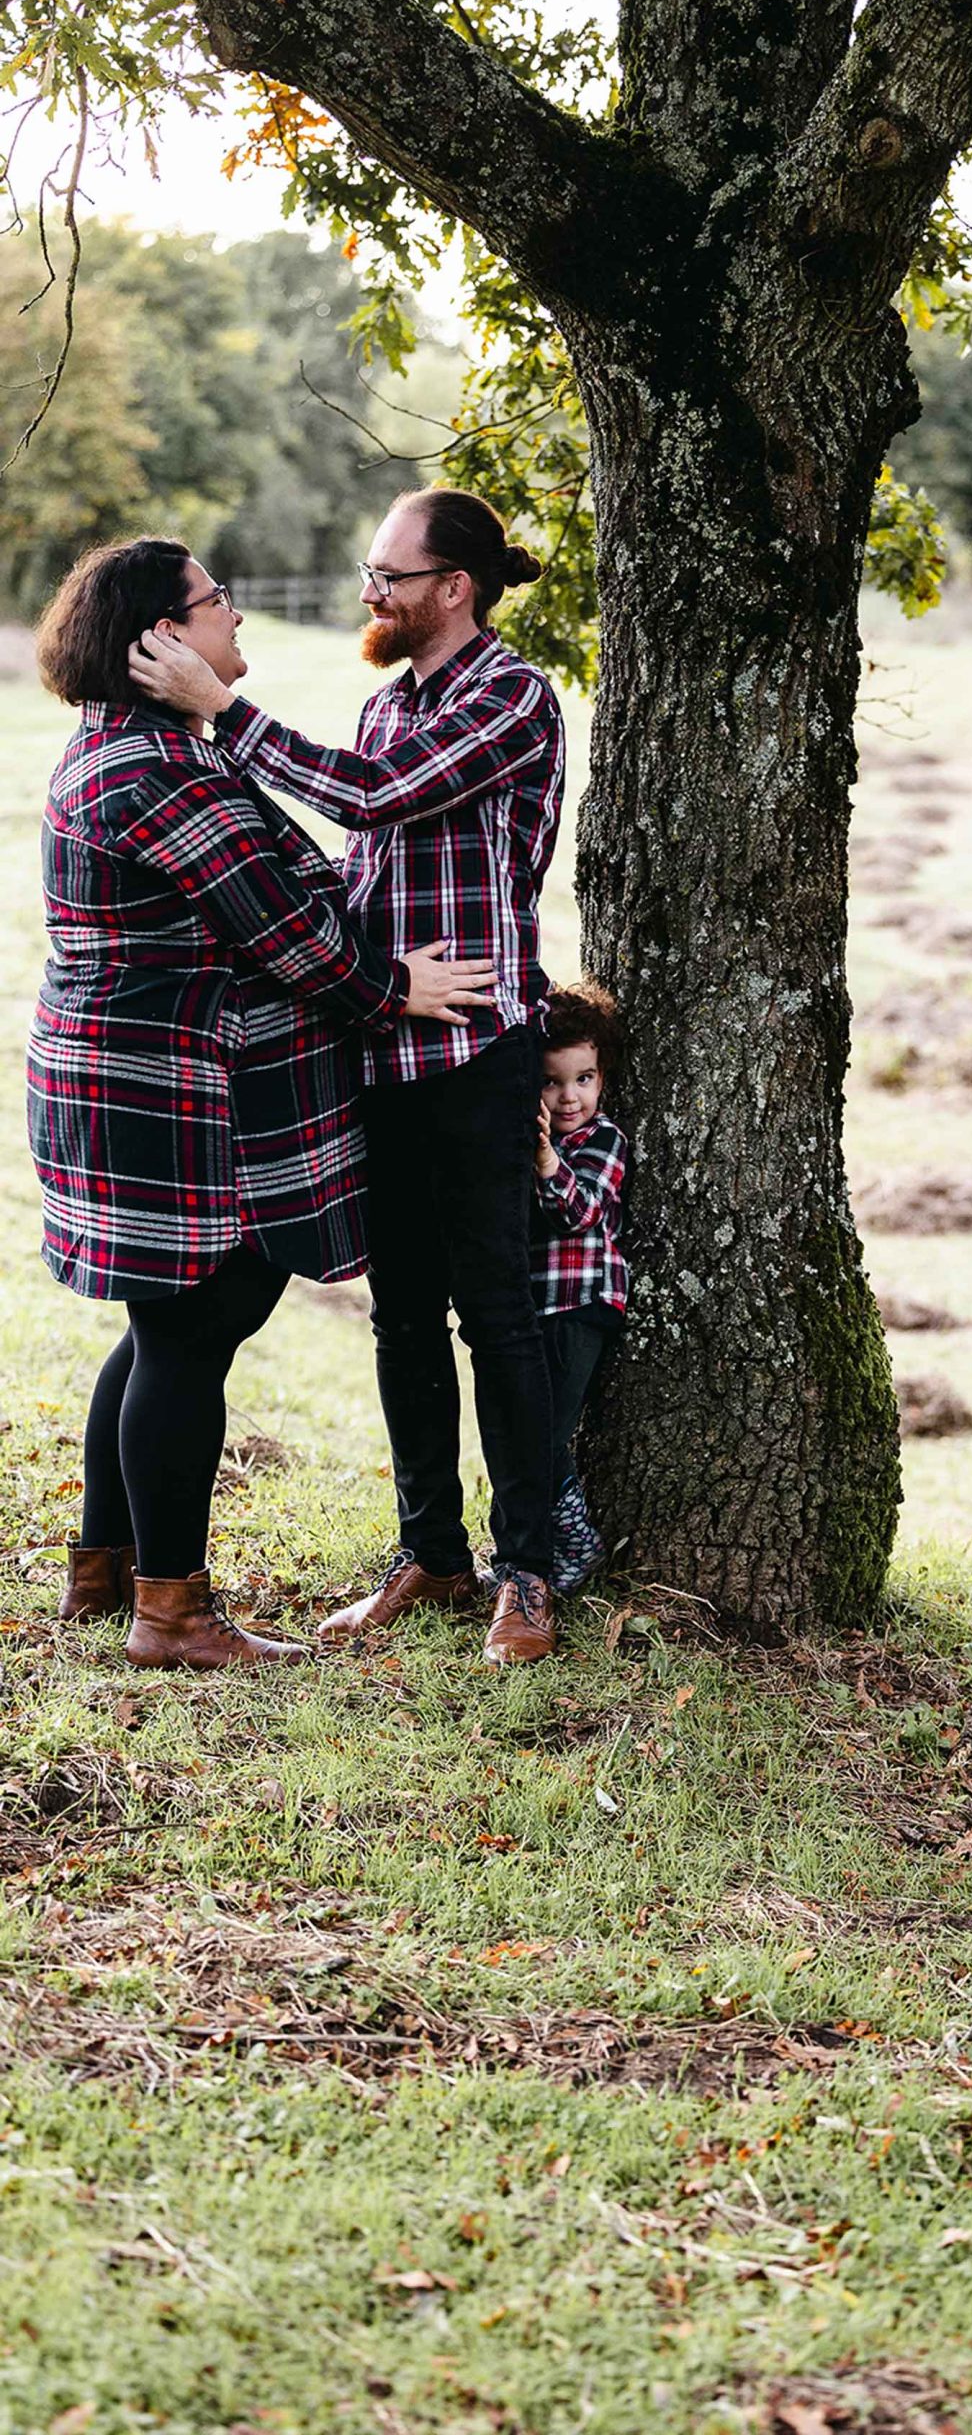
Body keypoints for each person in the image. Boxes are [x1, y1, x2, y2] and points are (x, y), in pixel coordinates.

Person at [29, 538, 492, 1671]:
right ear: (164, 635)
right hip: (167, 1089)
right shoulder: (155, 772)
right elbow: (282, 930)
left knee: (171, 1323)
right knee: (194, 1324)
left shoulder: (136, 747)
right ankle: (170, 1612)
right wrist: (396, 987)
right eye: (217, 598)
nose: (235, 614)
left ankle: (106, 1567)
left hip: (137, 1078)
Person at [130, 487, 566, 1667]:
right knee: (403, 1312)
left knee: (499, 1314)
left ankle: (526, 1571)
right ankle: (432, 1553)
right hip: (381, 1050)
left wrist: (223, 709)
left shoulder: (511, 695)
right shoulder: (386, 704)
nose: (369, 591)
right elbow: (365, 864)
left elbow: (377, 796)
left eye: (389, 574)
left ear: (453, 588)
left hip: (475, 1053)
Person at [532, 987, 629, 1597]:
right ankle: (530, 1550)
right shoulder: (526, 1143)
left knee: (544, 1433)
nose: (570, 1097)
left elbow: (581, 1211)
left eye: (584, 1079)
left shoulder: (603, 1139)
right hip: (534, 1308)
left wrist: (546, 1160)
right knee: (522, 1430)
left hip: (580, 1305)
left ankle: (575, 1541)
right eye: (552, 1082)